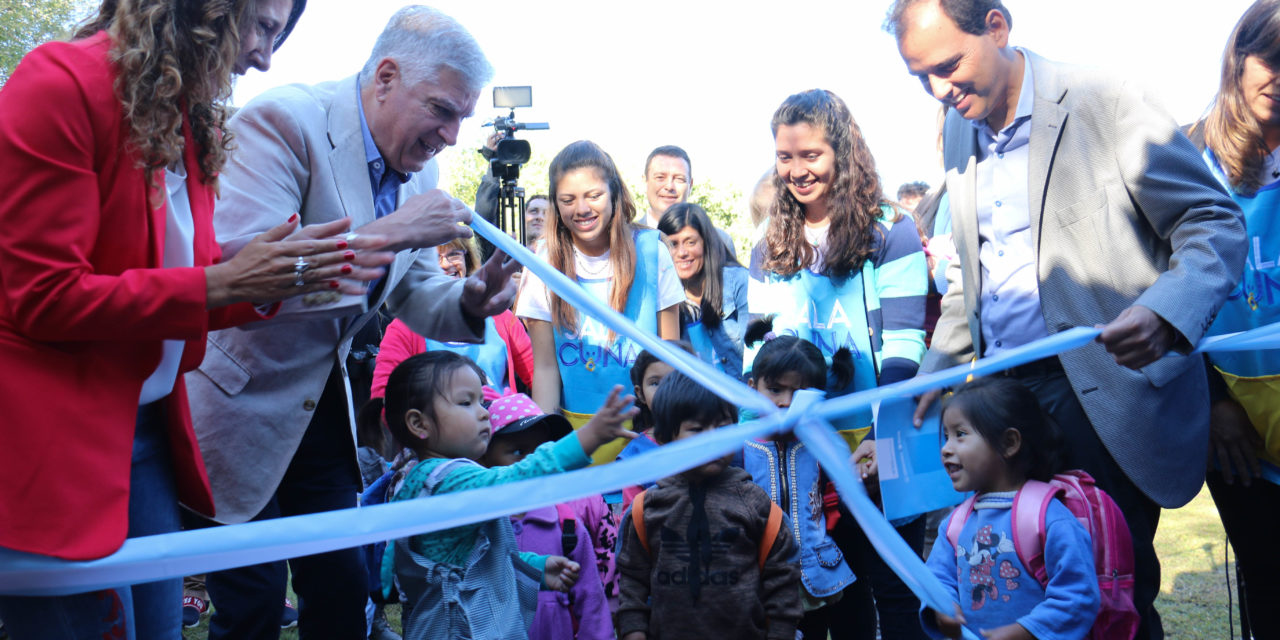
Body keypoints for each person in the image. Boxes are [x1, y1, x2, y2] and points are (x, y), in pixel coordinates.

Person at [0, 0, 380, 637]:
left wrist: (271, 272)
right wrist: (220, 280)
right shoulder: (57, 84)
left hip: (146, 436)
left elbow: (184, 275)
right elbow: (43, 296)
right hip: (51, 452)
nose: (265, 56)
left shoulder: (189, 120)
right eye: (262, 27)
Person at [886, 1, 1249, 637]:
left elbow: (1213, 224)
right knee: (1013, 598)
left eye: (947, 66)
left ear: (996, 27)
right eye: (922, 79)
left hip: (1102, 398)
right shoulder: (961, 132)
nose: (940, 91)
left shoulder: (1106, 99)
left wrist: (1166, 312)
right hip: (1004, 401)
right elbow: (974, 280)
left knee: (1108, 605)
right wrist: (933, 376)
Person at [184, 7, 522, 638]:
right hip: (239, 408)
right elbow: (246, 282)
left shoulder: (421, 168)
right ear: (387, 76)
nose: (451, 135)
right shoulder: (282, 121)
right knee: (253, 603)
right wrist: (394, 230)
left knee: (343, 591)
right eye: (442, 110)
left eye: (461, 118)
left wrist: (473, 300)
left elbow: (417, 290)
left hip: (320, 417)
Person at [751, 88, 930, 639]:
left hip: (881, 452)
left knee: (898, 597)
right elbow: (757, 355)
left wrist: (883, 436)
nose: (797, 171)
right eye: (785, 157)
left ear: (842, 152)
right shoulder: (769, 244)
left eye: (811, 156)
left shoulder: (890, 231)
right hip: (805, 457)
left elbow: (904, 348)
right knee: (833, 599)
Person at [376, 352, 637, 639]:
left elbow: (474, 560)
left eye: (481, 401)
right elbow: (518, 480)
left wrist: (534, 567)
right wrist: (589, 437)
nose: (484, 412)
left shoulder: (426, 477)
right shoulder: (450, 481)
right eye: (466, 402)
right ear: (419, 424)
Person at [1193, 2, 1280, 634]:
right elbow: (1157, 291)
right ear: (1237, 58)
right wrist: (1213, 403)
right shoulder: (1188, 157)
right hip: (1235, 423)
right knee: (1269, 584)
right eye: (1268, 57)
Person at [516, 140, 683, 464]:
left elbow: (671, 359)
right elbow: (546, 368)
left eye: (593, 195)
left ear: (614, 193)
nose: (582, 209)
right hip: (574, 441)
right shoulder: (542, 262)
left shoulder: (652, 251)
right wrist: (549, 456)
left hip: (643, 442)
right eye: (568, 200)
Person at [616, 370, 803, 640]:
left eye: (723, 428)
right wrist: (633, 631)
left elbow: (783, 579)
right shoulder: (646, 508)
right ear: (667, 439)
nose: (714, 439)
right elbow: (632, 580)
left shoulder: (756, 505)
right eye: (697, 429)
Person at [922, 377, 1100, 639]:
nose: (946, 449)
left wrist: (1027, 631)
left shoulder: (1048, 517)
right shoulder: (955, 524)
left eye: (960, 435)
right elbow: (938, 577)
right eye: (945, 437)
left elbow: (1079, 594)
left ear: (1009, 443)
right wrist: (943, 607)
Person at [740, 327, 860, 634]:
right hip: (756, 579)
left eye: (798, 394)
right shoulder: (739, 448)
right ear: (753, 388)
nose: (786, 403)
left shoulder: (823, 445)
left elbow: (834, 494)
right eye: (776, 390)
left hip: (812, 577)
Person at [476, 393, 615, 640]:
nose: (533, 463)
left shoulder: (566, 525)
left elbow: (590, 597)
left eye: (542, 452)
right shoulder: (477, 524)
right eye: (518, 451)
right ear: (485, 458)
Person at [372, 238, 534, 398]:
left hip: (501, 422)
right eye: (434, 259)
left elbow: (538, 374)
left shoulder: (503, 318)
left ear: (467, 261)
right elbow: (384, 401)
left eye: (454, 254)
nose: (446, 264)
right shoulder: (403, 328)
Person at [658, 203, 750, 377]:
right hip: (693, 401)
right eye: (672, 244)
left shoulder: (738, 281)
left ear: (706, 243)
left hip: (743, 396)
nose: (682, 252)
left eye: (690, 242)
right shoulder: (661, 297)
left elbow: (756, 355)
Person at [639, 145, 694, 229]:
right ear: (645, 182)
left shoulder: (718, 239)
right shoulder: (622, 238)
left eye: (679, 179)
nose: (669, 186)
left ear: (690, 186)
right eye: (660, 177)